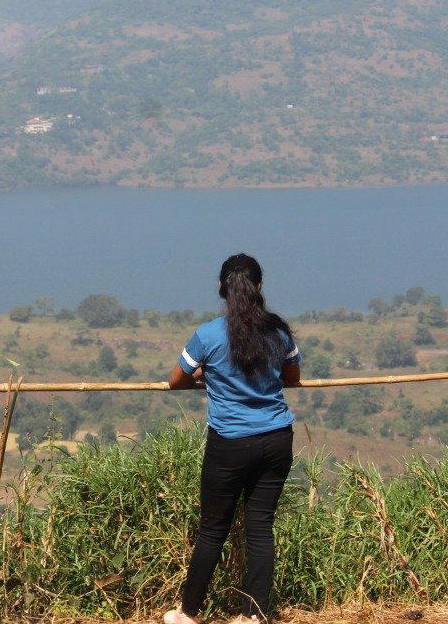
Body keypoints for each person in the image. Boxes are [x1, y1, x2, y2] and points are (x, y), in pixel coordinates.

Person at [163, 253, 300, 624]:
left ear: (221, 288)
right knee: (260, 527)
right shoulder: (279, 332)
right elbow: (292, 378)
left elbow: (176, 380)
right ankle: (254, 615)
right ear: (259, 287)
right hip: (276, 439)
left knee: (213, 530)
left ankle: (188, 613)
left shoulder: (208, 335)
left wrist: (208, 374)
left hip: (229, 444)